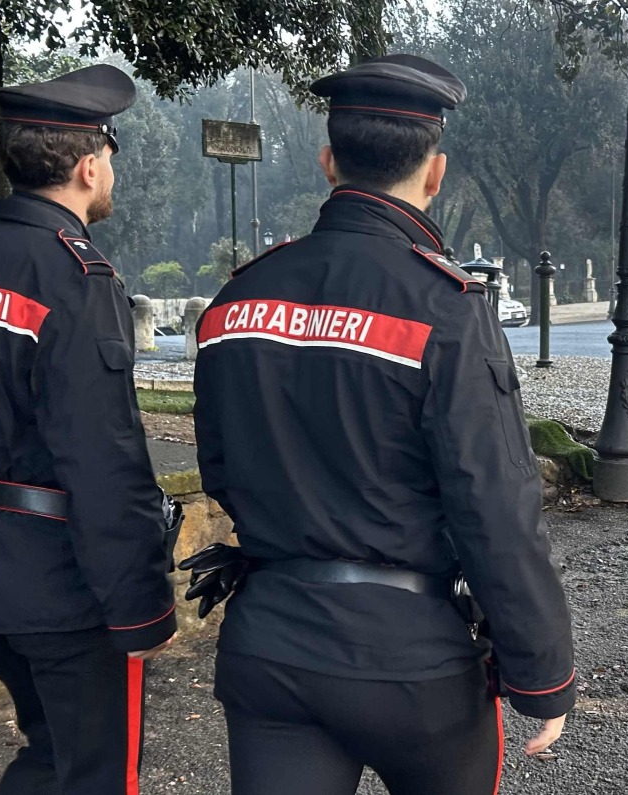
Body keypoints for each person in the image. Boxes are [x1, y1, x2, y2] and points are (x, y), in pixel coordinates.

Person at [184, 54, 576, 795]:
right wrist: (542, 671)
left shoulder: (236, 300)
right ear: (435, 173)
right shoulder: (446, 308)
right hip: (413, 660)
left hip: (271, 643)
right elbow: (494, 506)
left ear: (329, 162)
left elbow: (221, 467)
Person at [0, 64, 179, 795]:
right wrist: (143, 604)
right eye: (111, 158)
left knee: (52, 753)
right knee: (93, 772)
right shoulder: (76, 279)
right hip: (61, 580)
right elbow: (104, 458)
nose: (111, 172)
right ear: (89, 166)